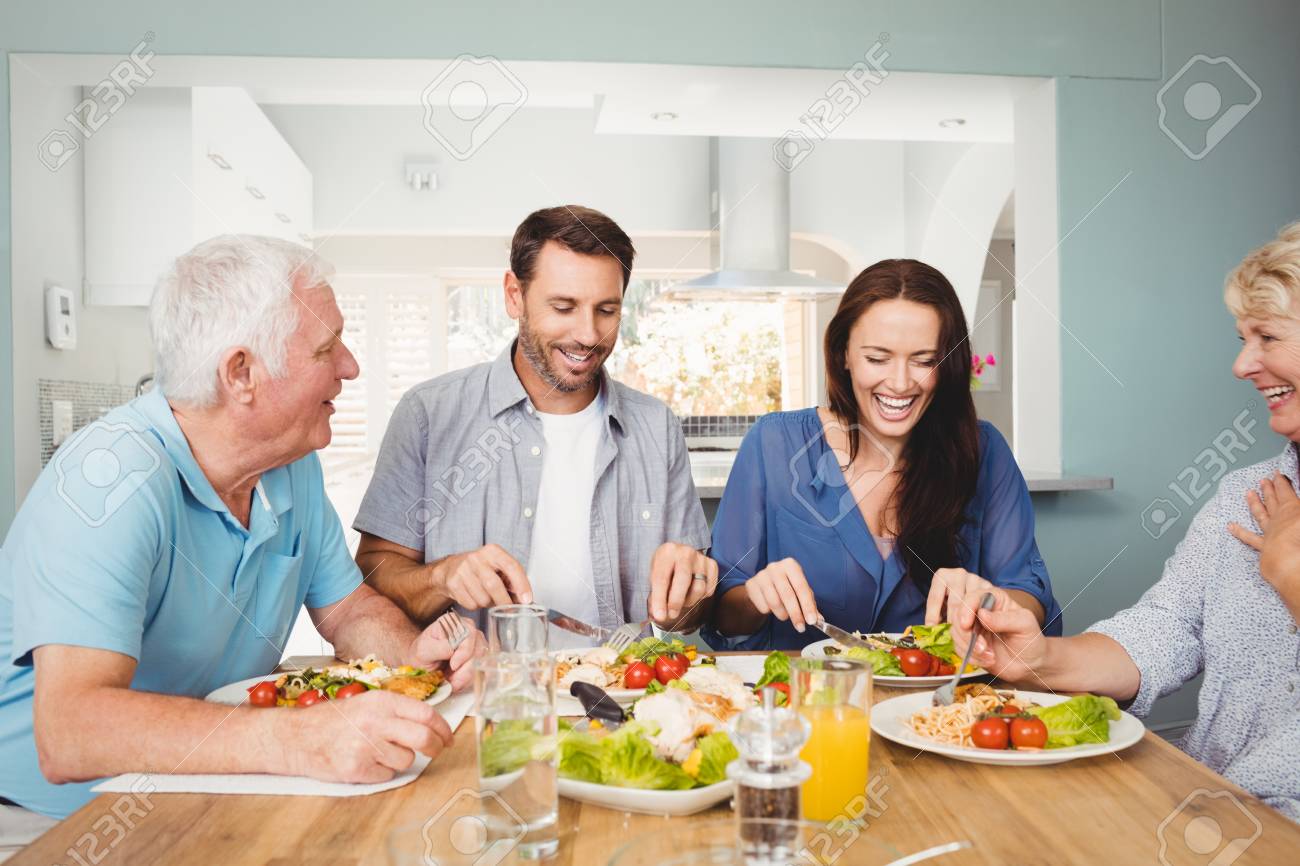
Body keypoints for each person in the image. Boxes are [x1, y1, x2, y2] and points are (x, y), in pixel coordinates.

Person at [0, 236, 483, 838]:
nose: (351, 366)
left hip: (201, 784)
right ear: (241, 373)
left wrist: (412, 656)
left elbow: (349, 610)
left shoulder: (290, 465)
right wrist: (303, 739)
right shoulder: (112, 482)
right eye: (327, 348)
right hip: (54, 822)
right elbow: (70, 732)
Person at [957, 224, 1300, 822]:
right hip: (1204, 804)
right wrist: (1042, 659)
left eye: (1266, 337)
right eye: (1243, 338)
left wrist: (1293, 573)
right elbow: (1169, 626)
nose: (1243, 364)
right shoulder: (1245, 492)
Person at [354, 205, 716, 644]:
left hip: (619, 697)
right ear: (513, 295)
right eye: (563, 307)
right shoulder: (428, 414)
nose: (587, 334)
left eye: (606, 310)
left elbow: (689, 617)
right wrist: (442, 578)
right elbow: (371, 575)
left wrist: (692, 594)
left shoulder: (655, 427)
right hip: (476, 696)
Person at [704, 258, 1062, 650]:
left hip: (938, 707)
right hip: (799, 701)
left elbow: (1030, 599)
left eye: (924, 361)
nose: (900, 382)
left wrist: (991, 602)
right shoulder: (773, 443)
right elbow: (723, 612)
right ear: (843, 354)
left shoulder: (985, 453)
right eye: (877, 358)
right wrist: (756, 595)